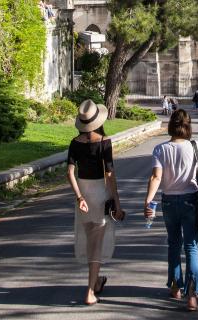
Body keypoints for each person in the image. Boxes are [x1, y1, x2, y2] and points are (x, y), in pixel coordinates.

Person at [144, 109, 198, 311]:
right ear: (188, 127)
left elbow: (156, 178)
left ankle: (176, 286)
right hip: (190, 199)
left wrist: (148, 201)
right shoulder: (195, 147)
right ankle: (193, 295)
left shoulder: (161, 149)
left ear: (171, 125)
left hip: (169, 200)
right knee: (191, 246)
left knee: (173, 244)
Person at [66, 100, 125, 306]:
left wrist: (79, 196)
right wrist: (117, 202)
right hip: (100, 191)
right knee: (97, 244)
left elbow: (69, 172)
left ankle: (97, 280)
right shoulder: (104, 142)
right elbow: (109, 174)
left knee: (90, 240)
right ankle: (90, 291)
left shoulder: (75, 143)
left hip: (83, 192)